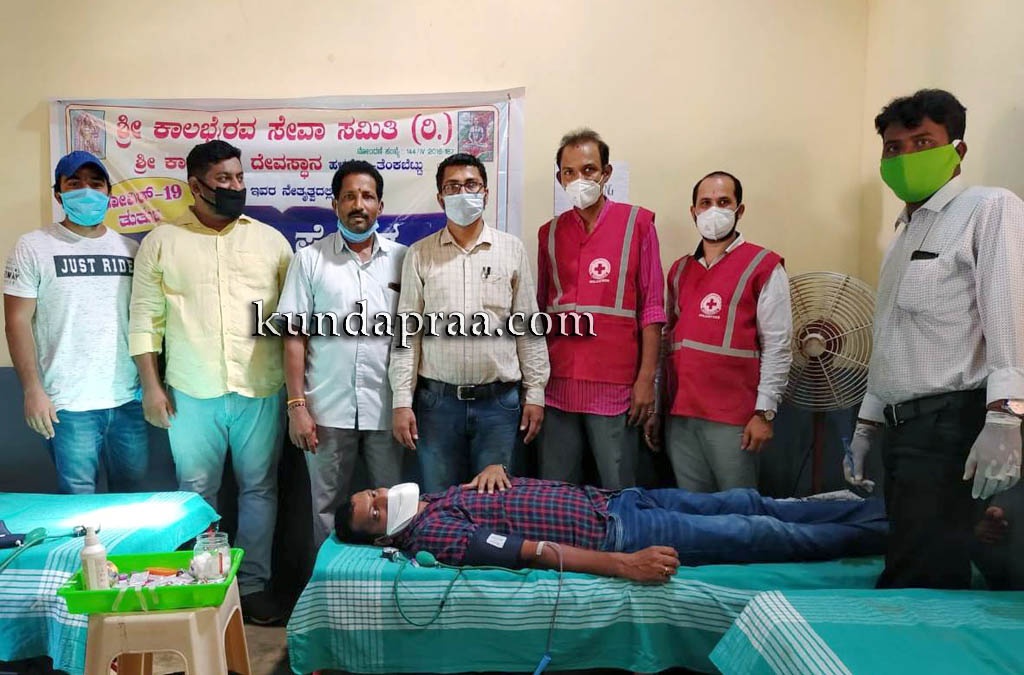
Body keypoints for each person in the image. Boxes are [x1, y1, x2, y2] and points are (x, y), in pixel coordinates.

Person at [843, 89, 1024, 589]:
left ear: (957, 150)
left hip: (950, 426)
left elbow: (1010, 318)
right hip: (902, 432)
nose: (906, 156)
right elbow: (890, 340)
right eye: (894, 147)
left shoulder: (988, 208)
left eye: (923, 142)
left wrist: (1006, 417)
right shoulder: (903, 236)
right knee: (911, 558)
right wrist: (866, 427)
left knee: (919, 578)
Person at [129, 140, 293, 623]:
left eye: (239, 177)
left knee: (259, 489)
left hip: (261, 387)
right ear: (195, 186)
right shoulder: (162, 241)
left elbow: (294, 320)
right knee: (196, 492)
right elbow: (145, 319)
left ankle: (254, 586)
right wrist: (151, 385)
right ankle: (204, 583)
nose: (236, 186)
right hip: (190, 390)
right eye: (224, 179)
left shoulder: (270, 242)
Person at [335, 464, 887, 582]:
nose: (381, 497)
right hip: (620, 535)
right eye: (374, 511)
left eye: (372, 492)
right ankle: (888, 533)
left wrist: (496, 467)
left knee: (750, 501)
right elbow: (527, 551)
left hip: (617, 500)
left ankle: (880, 511)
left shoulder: (432, 499)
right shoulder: (431, 534)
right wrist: (623, 565)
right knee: (759, 533)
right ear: (381, 535)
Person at [389, 153, 549, 493]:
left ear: (485, 193)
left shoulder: (511, 250)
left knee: (495, 503)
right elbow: (407, 335)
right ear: (440, 198)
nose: (463, 193)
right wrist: (401, 401)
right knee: (439, 501)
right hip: (437, 406)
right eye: (453, 187)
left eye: (471, 185)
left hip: (499, 405)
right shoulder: (420, 254)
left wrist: (535, 393)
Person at [277, 160, 406, 549]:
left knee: (394, 509)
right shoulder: (310, 259)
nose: (358, 204)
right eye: (349, 196)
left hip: (387, 409)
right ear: (335, 204)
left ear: (380, 205)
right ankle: (330, 582)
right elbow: (293, 337)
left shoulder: (403, 259)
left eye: (367, 196)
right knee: (326, 510)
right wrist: (297, 407)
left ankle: (390, 581)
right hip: (326, 411)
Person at [4, 151, 148, 494]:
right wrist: (32, 390)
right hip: (66, 405)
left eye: (96, 184)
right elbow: (16, 321)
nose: (87, 191)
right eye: (74, 184)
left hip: (128, 400)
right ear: (59, 194)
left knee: (132, 499)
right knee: (79, 504)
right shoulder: (33, 246)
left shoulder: (130, 249)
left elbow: (147, 318)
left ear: (109, 193)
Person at [536, 129, 665, 489]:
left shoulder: (638, 224)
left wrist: (646, 381)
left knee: (618, 489)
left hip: (616, 387)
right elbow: (541, 310)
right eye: (570, 172)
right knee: (557, 493)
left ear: (606, 173)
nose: (579, 178)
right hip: (558, 385)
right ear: (560, 178)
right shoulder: (549, 233)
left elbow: (653, 309)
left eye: (589, 169)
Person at [655, 172, 791, 492]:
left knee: (738, 508)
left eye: (723, 202)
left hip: (735, 420)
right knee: (692, 508)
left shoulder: (763, 265)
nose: (713, 210)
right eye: (705, 203)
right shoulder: (680, 270)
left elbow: (778, 345)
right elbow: (667, 342)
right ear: (693, 212)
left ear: (739, 210)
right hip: (681, 416)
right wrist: (658, 409)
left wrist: (764, 413)